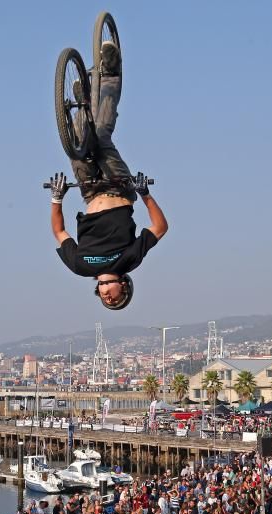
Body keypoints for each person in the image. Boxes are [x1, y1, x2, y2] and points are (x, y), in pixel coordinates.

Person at [48, 40, 168, 311]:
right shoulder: (128, 261)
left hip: (89, 191)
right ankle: (111, 74)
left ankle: (82, 103)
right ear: (124, 284)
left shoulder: (79, 266)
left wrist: (57, 199)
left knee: (76, 146)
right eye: (116, 297)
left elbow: (59, 231)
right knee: (101, 136)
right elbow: (160, 228)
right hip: (119, 187)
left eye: (106, 300)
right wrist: (144, 194)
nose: (109, 297)